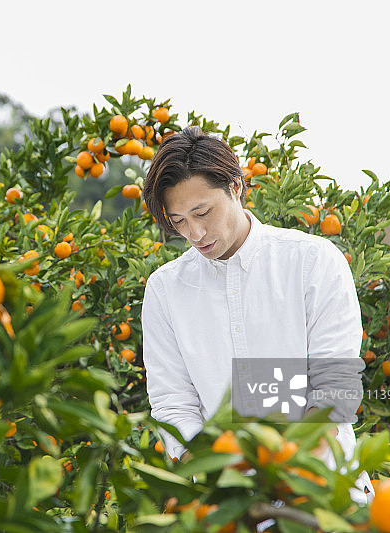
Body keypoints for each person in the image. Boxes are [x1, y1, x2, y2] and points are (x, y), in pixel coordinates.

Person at [140, 126, 373, 504]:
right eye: (179, 220)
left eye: (203, 212)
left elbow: (334, 387)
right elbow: (173, 405)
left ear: (235, 187)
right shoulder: (166, 290)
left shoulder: (311, 262)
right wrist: (216, 479)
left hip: (325, 494)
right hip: (226, 506)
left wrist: (283, 477)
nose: (195, 233)